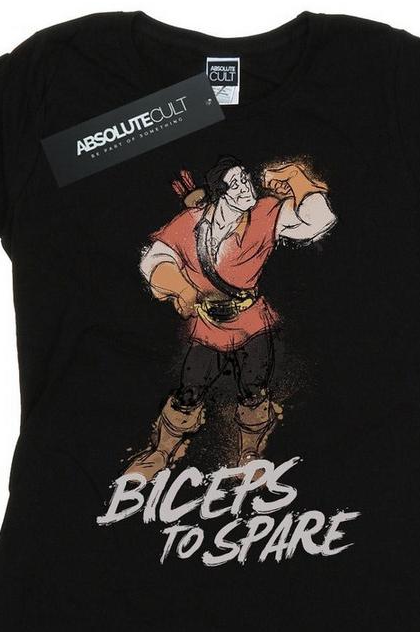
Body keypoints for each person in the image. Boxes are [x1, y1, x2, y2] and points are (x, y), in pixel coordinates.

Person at [125, 155, 336, 479]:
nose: (246, 188)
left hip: (253, 323)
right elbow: (154, 259)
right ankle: (161, 452)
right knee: (189, 391)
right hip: (208, 326)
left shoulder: (265, 213)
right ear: (218, 193)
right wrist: (179, 287)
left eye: (245, 180)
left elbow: (319, 220)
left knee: (253, 391)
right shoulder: (191, 222)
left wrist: (297, 178)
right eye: (235, 184)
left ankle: (249, 454)